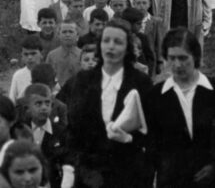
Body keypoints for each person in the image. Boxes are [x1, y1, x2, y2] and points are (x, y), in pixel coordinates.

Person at [146, 29, 215, 187]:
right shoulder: (156, 95)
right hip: (172, 181)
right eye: (172, 58)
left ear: (196, 57)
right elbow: (151, 142)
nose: (177, 64)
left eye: (183, 58)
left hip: (210, 180)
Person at [66, 19, 154, 187]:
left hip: (129, 171)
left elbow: (151, 132)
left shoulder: (141, 82)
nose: (111, 46)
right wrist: (82, 169)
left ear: (127, 47)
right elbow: (74, 127)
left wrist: (129, 139)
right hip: (89, 174)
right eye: (106, 41)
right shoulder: (84, 80)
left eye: (118, 42)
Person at [23, 84, 72, 188]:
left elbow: (68, 164)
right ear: (27, 107)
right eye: (38, 104)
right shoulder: (20, 130)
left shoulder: (61, 132)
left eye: (47, 103)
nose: (44, 108)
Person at [9, 36, 44, 102]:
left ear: (41, 54)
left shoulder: (48, 73)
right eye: (26, 54)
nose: (30, 57)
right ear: (22, 56)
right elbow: (12, 100)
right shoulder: (18, 75)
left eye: (33, 53)